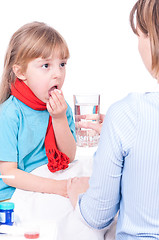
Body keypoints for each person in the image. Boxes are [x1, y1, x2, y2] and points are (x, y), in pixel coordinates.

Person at [67, 0, 159, 239]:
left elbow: (98, 216)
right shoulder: (125, 118)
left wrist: (78, 194)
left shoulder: (127, 114)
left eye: (139, 35)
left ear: (152, 39)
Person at [0, 21, 76, 201]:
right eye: (46, 66)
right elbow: (7, 173)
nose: (57, 73)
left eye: (62, 64)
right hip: (14, 195)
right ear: (20, 72)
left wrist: (59, 119)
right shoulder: (10, 114)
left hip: (47, 184)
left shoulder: (61, 108)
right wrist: (57, 187)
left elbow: (69, 156)